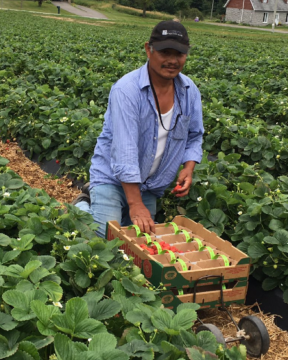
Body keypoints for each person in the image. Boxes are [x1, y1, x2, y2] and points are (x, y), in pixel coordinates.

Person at [74, 21, 204, 237]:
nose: (172, 60)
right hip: (112, 178)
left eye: (179, 54)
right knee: (105, 240)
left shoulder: (189, 92)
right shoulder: (127, 91)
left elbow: (194, 136)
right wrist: (135, 204)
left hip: (150, 185)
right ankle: (82, 206)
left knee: (139, 247)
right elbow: (125, 153)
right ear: (148, 49)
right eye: (165, 52)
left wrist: (188, 168)